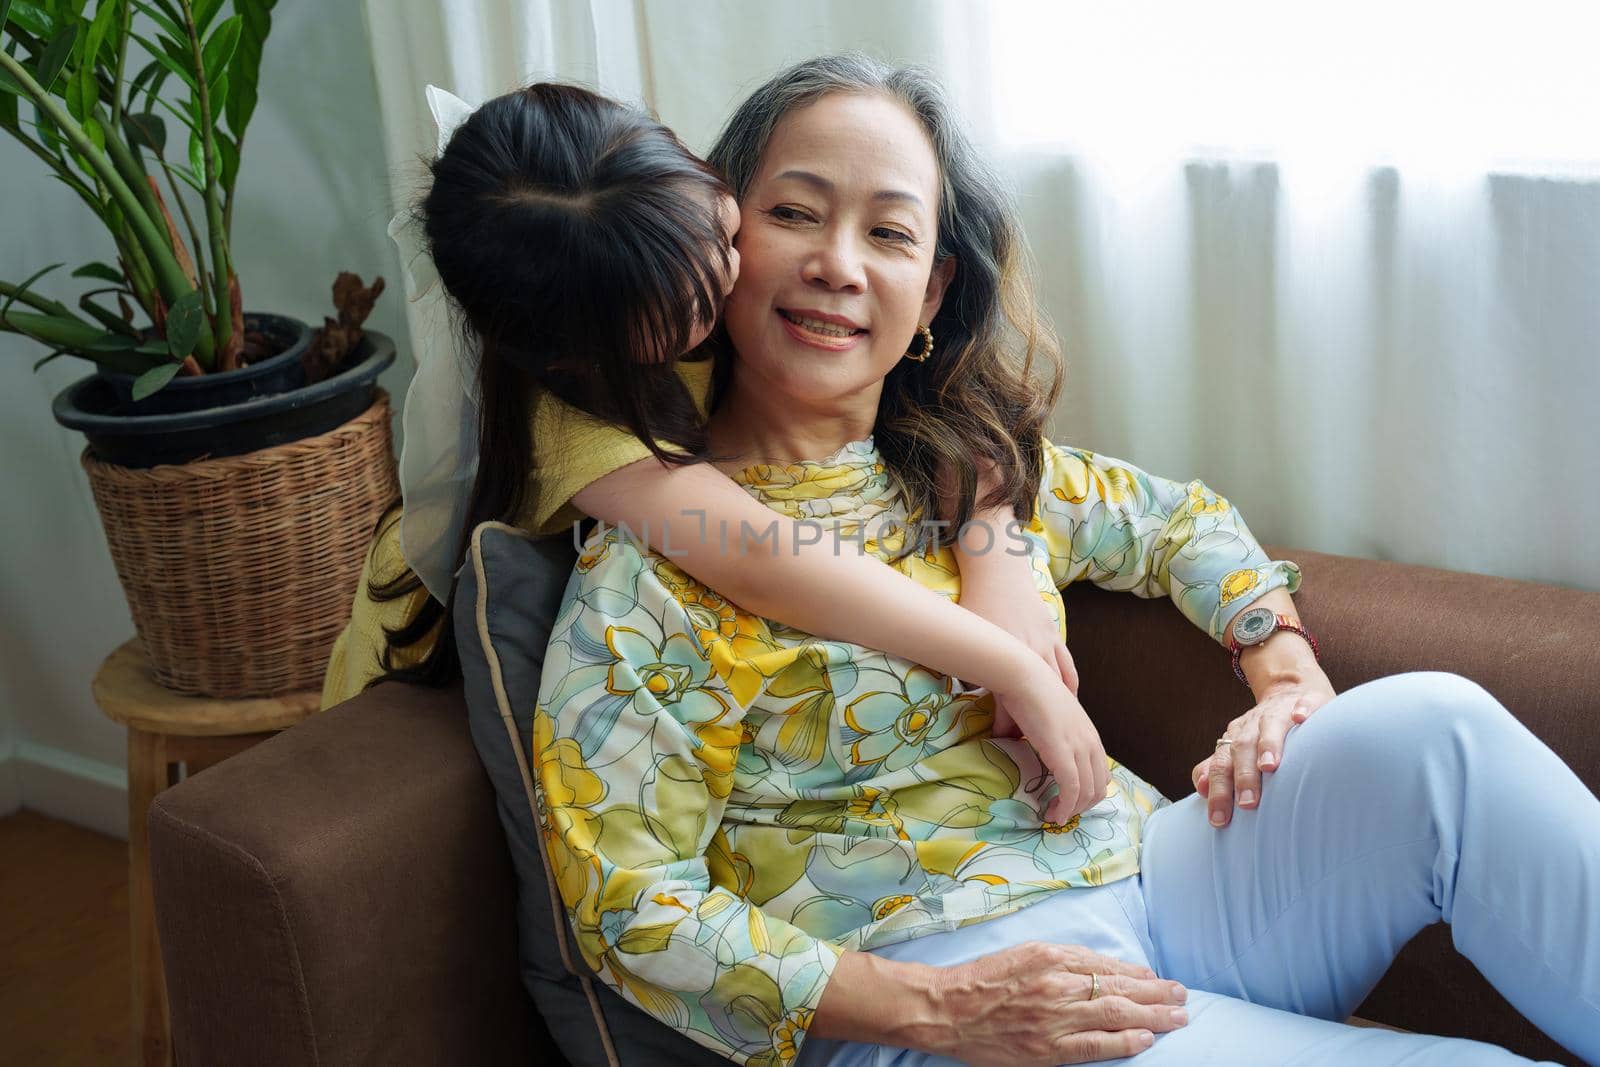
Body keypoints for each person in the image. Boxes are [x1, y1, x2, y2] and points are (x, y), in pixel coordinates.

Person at [510, 54, 1600, 1067]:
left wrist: (1284, 674)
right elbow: (626, 902)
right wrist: (939, 1006)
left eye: (889, 235)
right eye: (794, 213)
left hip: (1156, 882)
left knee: (1435, 731)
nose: (837, 264)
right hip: (948, 998)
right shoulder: (654, 566)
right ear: (718, 245)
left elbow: (1184, 524)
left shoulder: (966, 474)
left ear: (931, 293)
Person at [322, 82, 1102, 822]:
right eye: (691, 311)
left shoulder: (641, 217)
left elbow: (950, 409)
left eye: (727, 234)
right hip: (416, 702)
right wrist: (1009, 663)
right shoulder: (575, 416)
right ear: (597, 352)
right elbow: (768, 557)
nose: (735, 273)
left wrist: (995, 564)